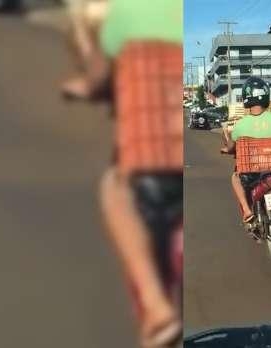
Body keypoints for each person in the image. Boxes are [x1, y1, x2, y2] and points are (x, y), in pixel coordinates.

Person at [59, 1, 183, 347]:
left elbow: (98, 77)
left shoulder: (124, 14)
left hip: (150, 156)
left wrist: (83, 86)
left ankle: (156, 305)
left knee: (113, 188)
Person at [221, 77, 271, 223]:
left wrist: (226, 145)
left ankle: (247, 210)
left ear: (246, 98)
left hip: (252, 171)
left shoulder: (240, 125)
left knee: (235, 177)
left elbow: (231, 147)